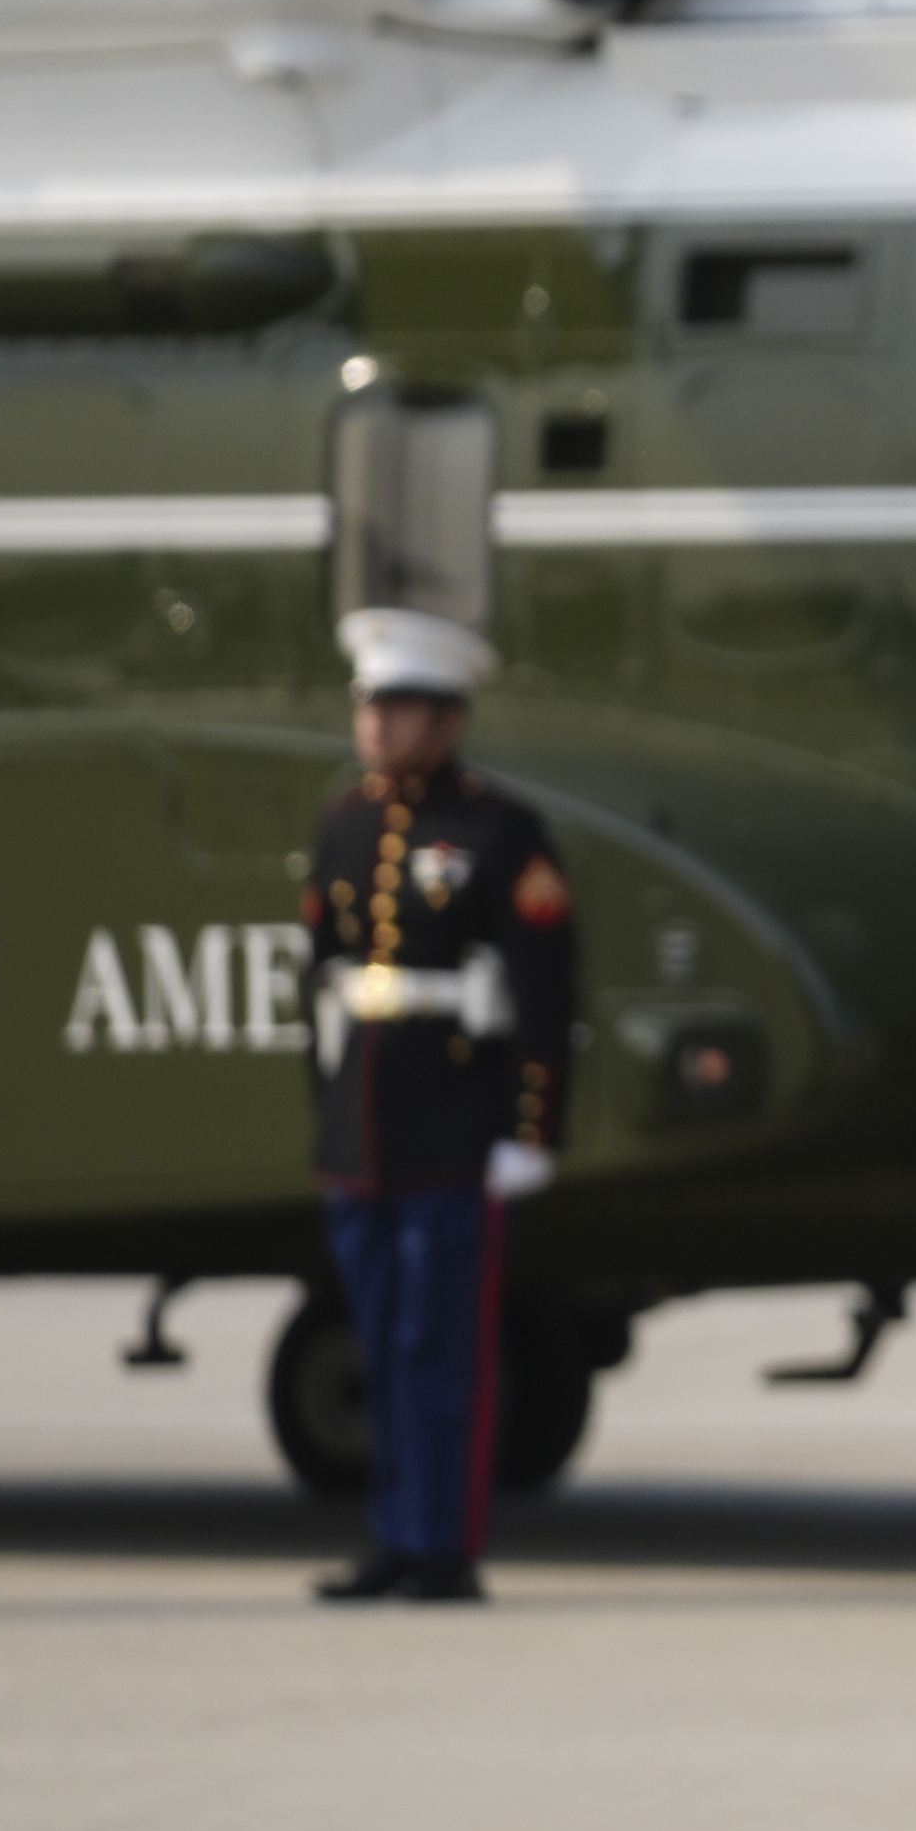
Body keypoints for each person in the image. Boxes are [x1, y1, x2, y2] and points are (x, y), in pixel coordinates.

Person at [301, 608, 576, 1607]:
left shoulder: (497, 831)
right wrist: (325, 1121)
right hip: (363, 1127)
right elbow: (320, 977)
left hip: (454, 1122)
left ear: (448, 719)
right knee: (378, 1342)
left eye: (400, 707)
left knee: (440, 1346)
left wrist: (529, 1126)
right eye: (370, 705)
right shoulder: (343, 823)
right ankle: (390, 1535)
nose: (377, 725)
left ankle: (443, 1546)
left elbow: (545, 989)